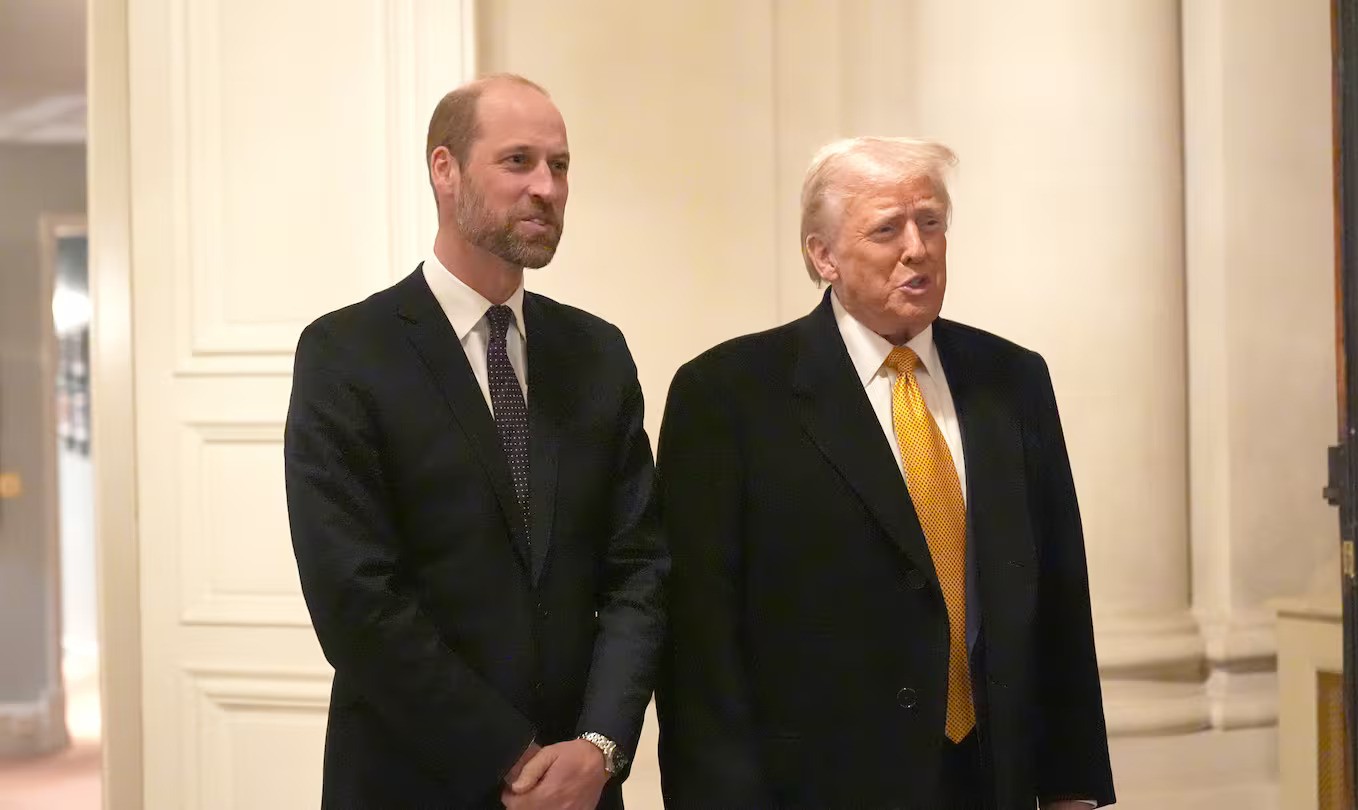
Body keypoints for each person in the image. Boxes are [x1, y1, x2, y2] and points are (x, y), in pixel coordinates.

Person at [655, 136, 1114, 809]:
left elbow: (1059, 599)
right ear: (823, 255)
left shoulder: (1012, 381)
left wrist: (1072, 789)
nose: (917, 249)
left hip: (993, 778)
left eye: (930, 223)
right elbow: (699, 649)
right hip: (821, 786)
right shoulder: (729, 396)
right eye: (886, 229)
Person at [284, 73, 666, 810]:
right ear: (445, 169)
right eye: (518, 161)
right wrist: (511, 756)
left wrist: (599, 747)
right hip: (410, 778)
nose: (547, 188)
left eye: (559, 166)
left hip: (581, 785)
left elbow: (639, 571)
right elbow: (355, 598)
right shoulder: (346, 353)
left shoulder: (597, 353)